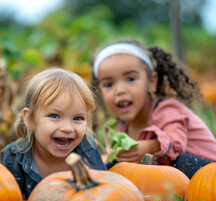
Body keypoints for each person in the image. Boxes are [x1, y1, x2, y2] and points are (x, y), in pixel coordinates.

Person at [91, 39, 216, 178]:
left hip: (208, 174)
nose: (119, 90)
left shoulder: (167, 110)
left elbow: (177, 143)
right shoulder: (121, 126)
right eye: (108, 84)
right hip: (170, 181)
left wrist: (150, 147)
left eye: (131, 79)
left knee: (185, 162)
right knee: (113, 167)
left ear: (152, 81)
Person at [0, 67, 106, 201]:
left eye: (78, 118)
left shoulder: (87, 149)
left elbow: (104, 193)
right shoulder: (14, 158)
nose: (67, 128)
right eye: (55, 116)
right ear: (30, 119)